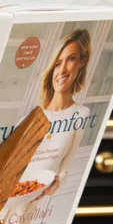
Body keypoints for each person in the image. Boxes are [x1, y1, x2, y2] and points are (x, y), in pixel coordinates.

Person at [35, 28, 92, 199]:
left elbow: (65, 167)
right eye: (58, 63)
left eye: (71, 59)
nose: (61, 70)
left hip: (35, 198)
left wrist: (57, 182)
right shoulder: (34, 116)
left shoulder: (81, 114)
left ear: (82, 61)